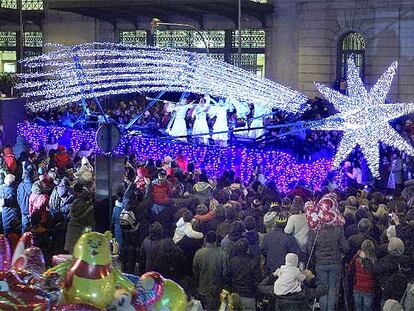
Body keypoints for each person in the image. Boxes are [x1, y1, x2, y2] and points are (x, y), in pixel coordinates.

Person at [307, 220, 348, 311]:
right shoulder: (338, 229)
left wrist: (314, 261)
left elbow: (309, 248)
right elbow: (345, 247)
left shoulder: (315, 229)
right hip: (335, 263)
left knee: (322, 289)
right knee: (332, 289)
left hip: (320, 263)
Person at [224, 238, 260, 311]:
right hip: (249, 295)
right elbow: (257, 280)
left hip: (235, 295)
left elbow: (227, 279)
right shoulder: (253, 262)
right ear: (247, 249)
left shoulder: (232, 262)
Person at [193, 231, 225, 311]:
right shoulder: (222, 254)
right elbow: (225, 273)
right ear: (216, 241)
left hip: (203, 288)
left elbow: (195, 271)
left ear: (205, 240)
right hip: (217, 290)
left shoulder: (199, 253)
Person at [64, 183, 95, 253]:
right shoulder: (89, 207)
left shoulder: (74, 204)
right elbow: (90, 225)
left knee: (72, 258)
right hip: (81, 235)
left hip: (71, 232)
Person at [348, 239, 377, 311]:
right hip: (369, 289)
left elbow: (350, 269)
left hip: (357, 287)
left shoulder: (357, 258)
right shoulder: (374, 260)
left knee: (358, 308)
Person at [17, 167, 35, 232]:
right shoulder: (33, 186)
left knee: (24, 227)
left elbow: (18, 198)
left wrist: (21, 205)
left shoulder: (20, 185)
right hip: (31, 210)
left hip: (23, 209)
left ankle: (22, 240)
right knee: (32, 228)